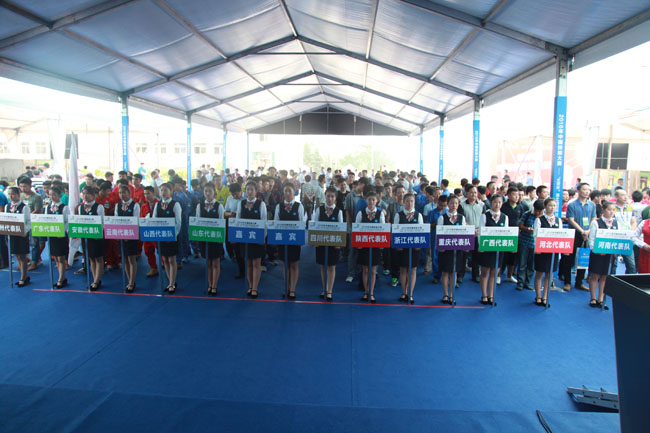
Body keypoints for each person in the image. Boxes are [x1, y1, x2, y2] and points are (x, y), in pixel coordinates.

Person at [561, 182, 596, 291]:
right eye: (584, 189)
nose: (587, 192)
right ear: (579, 191)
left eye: (588, 190)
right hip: (574, 234)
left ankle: (579, 282)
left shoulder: (592, 205)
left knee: (583, 258)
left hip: (587, 234)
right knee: (569, 259)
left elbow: (593, 219)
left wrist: (588, 231)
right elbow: (571, 220)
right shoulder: (572, 204)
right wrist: (582, 231)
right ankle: (567, 282)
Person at [236, 181, 267, 298]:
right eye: (247, 189)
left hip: (257, 238)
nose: (249, 192)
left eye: (251, 189)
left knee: (256, 263)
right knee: (248, 263)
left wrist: (263, 237)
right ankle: (250, 286)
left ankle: (255, 287)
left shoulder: (261, 204)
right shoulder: (241, 203)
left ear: (256, 191)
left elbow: (264, 222)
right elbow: (237, 220)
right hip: (245, 238)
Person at [312, 187, 343, 302]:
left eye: (332, 196)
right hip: (321, 242)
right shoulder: (319, 210)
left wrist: (339, 243)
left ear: (335, 199)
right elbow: (315, 225)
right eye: (328, 196)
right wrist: (315, 241)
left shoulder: (339, 211)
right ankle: (324, 289)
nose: (330, 198)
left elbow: (341, 228)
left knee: (331, 266)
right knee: (322, 266)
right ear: (325, 197)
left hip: (333, 242)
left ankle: (329, 291)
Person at [274, 182, 305, 299]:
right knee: (285, 264)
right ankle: (286, 287)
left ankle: (292, 289)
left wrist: (300, 240)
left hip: (294, 239)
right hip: (282, 239)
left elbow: (301, 223)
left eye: (290, 191)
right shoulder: (279, 206)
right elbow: (276, 223)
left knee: (294, 264)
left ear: (294, 192)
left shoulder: (299, 206)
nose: (287, 193)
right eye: (285, 191)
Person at [152, 183, 182, 294]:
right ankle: (170, 282)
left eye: (165, 190)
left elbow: (178, 222)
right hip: (161, 236)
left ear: (171, 191)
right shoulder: (157, 204)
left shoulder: (175, 204)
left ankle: (172, 283)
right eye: (161, 190)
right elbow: (154, 219)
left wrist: (173, 235)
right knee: (165, 260)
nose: (163, 192)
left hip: (171, 237)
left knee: (172, 260)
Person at [478, 194, 508, 305]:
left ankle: (491, 295)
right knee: (485, 272)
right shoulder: (485, 216)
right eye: (495, 202)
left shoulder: (505, 217)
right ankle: (484, 295)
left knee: (494, 273)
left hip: (498, 249)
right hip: (486, 248)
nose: (497, 204)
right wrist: (481, 245)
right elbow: (480, 232)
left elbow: (506, 233)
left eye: (499, 202)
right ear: (491, 203)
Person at [587, 202, 618, 309]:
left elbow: (618, 238)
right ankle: (593, 298)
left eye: (613, 210)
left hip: (609, 254)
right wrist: (596, 250)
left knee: (605, 276)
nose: (611, 212)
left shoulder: (615, 222)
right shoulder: (596, 222)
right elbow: (591, 239)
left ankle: (601, 298)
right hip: (597, 253)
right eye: (609, 209)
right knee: (595, 275)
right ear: (603, 210)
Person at [196, 182, 225, 296]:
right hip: (204, 238)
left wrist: (220, 239)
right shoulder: (199, 206)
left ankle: (214, 285)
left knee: (216, 262)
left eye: (210, 191)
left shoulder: (219, 206)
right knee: (208, 262)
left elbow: (222, 222)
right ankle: (210, 284)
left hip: (215, 238)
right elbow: (197, 222)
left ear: (214, 193)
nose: (208, 194)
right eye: (206, 191)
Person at [356, 191, 385, 303]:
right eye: (369, 199)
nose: (371, 202)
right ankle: (366, 292)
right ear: (366, 200)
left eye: (373, 199)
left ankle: (371, 293)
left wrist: (382, 244)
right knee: (365, 269)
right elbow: (356, 229)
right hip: (364, 245)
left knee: (373, 270)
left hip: (375, 245)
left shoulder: (380, 213)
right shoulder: (361, 213)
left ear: (377, 201)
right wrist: (358, 244)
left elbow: (383, 230)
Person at [395, 193, 423, 304]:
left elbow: (421, 231)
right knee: (403, 269)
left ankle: (410, 294)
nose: (409, 203)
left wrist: (419, 244)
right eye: (407, 201)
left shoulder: (418, 215)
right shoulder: (399, 215)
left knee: (413, 270)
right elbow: (395, 231)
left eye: (412, 201)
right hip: (402, 246)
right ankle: (404, 292)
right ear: (403, 202)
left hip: (414, 246)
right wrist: (398, 245)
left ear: (414, 202)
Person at [437, 195, 464, 304]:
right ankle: (445, 294)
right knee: (445, 272)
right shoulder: (442, 218)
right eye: (451, 203)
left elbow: (464, 233)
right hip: (445, 249)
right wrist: (440, 247)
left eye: (456, 203)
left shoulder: (461, 218)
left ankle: (452, 295)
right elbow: (439, 234)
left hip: (457, 249)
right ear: (447, 204)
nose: (454, 205)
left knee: (454, 272)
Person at [532, 198, 560, 307]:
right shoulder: (539, 220)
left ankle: (545, 297)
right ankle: (538, 296)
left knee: (549, 274)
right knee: (539, 273)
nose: (552, 208)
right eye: (550, 205)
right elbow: (535, 235)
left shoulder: (558, 220)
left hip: (553, 251)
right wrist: (537, 248)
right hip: (541, 251)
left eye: (554, 206)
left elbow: (561, 236)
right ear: (545, 206)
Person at [77, 186, 105, 291]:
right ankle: (95, 279)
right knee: (91, 258)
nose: (85, 196)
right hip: (86, 236)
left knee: (98, 258)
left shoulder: (99, 207)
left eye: (87, 193)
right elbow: (79, 221)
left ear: (93, 195)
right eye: (83, 193)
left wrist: (98, 234)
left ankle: (97, 280)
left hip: (96, 236)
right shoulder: (80, 207)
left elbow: (102, 223)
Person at [6, 187, 31, 286]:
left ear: (18, 194)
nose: (11, 196)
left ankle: (24, 276)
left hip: (22, 235)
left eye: (12, 194)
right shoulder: (7, 206)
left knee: (22, 255)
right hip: (12, 234)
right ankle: (24, 275)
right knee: (17, 255)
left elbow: (29, 222)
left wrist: (24, 231)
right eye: (9, 194)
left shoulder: (24, 207)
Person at [117, 185, 140, 292]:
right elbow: (116, 220)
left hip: (131, 236)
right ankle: (129, 279)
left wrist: (129, 235)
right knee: (125, 259)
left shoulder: (135, 205)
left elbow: (136, 221)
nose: (121, 195)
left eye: (124, 192)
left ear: (129, 193)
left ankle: (132, 281)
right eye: (120, 193)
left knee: (131, 258)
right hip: (121, 236)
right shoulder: (118, 205)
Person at [46, 185, 70, 288]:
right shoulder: (48, 207)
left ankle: (61, 277)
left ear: (59, 195)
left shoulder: (64, 207)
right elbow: (45, 220)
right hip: (52, 235)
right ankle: (61, 276)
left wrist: (62, 232)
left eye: (54, 195)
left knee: (61, 257)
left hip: (61, 236)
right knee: (55, 257)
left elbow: (67, 222)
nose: (52, 197)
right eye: (50, 195)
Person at [517, 199, 544, 291]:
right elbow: (520, 225)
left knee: (531, 265)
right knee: (522, 263)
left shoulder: (543, 218)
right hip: (524, 241)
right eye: (536, 210)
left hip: (535, 244)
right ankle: (520, 282)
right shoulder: (527, 214)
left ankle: (527, 282)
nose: (537, 213)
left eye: (540, 211)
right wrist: (527, 229)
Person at [460, 185, 485, 284]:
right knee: (464, 256)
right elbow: (462, 219)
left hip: (478, 233)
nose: (473, 194)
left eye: (475, 192)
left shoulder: (482, 205)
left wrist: (477, 230)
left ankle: (476, 275)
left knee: (476, 256)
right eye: (471, 192)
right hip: (466, 233)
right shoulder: (461, 205)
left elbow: (484, 219)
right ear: (467, 194)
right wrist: (471, 229)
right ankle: (460, 275)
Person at [18, 176, 43, 271]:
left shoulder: (36, 197)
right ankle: (26, 260)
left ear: (30, 186)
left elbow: (37, 210)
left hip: (34, 222)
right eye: (21, 186)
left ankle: (34, 262)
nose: (23, 188)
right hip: (23, 222)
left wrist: (27, 217)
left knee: (34, 243)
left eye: (25, 186)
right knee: (24, 242)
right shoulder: (21, 196)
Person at [499, 187, 523, 285]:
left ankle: (509, 275)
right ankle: (498, 275)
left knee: (513, 256)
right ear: (508, 196)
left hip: (515, 235)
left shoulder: (520, 207)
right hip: (504, 234)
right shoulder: (503, 206)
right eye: (514, 195)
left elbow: (520, 219)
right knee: (503, 256)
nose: (516, 197)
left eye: (518, 195)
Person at [613, 189, 637, 274]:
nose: (625, 197)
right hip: (615, 238)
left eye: (626, 195)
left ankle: (628, 281)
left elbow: (633, 222)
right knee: (613, 264)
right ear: (616, 197)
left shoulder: (630, 208)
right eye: (622, 195)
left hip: (627, 238)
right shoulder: (612, 207)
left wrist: (631, 232)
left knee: (631, 265)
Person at [224, 183, 245, 279]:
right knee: (237, 249)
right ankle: (241, 271)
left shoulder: (246, 198)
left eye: (236, 194)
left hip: (245, 226)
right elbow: (225, 212)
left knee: (246, 250)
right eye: (233, 194)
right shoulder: (229, 199)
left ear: (241, 191)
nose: (234, 196)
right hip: (233, 225)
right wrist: (231, 214)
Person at [141, 186, 159, 278]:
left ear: (153, 193)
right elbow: (141, 219)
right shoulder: (143, 206)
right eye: (145, 194)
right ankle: (153, 268)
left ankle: (165, 264)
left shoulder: (159, 204)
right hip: (147, 232)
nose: (146, 196)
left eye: (148, 193)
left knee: (160, 250)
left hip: (158, 231)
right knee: (148, 251)